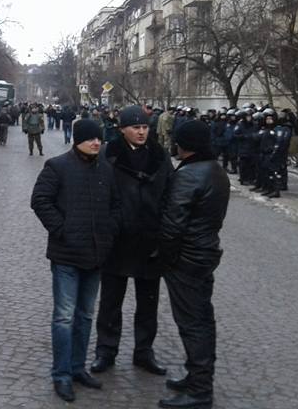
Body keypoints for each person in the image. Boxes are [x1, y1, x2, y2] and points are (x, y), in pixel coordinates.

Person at [31, 119, 121, 402]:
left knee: (85, 316)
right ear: (78, 140)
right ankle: (61, 374)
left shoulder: (106, 169)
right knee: (64, 317)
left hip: (95, 255)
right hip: (67, 256)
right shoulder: (57, 166)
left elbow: (116, 206)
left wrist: (109, 231)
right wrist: (62, 230)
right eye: (91, 138)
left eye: (100, 138)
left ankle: (78, 367)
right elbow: (40, 200)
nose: (97, 142)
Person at [91, 106, 172, 378]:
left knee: (148, 302)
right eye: (135, 127)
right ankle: (106, 350)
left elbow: (170, 196)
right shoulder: (107, 155)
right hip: (117, 240)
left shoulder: (160, 157)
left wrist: (165, 233)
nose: (141, 132)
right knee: (111, 301)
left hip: (150, 240)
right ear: (122, 129)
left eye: (145, 127)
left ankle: (144, 351)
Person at [157, 120, 230, 409]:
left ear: (184, 144)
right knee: (202, 319)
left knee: (193, 324)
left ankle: (200, 390)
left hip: (187, 258)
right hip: (204, 253)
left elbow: (173, 224)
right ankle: (196, 377)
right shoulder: (215, 170)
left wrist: (165, 257)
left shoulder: (190, 174)